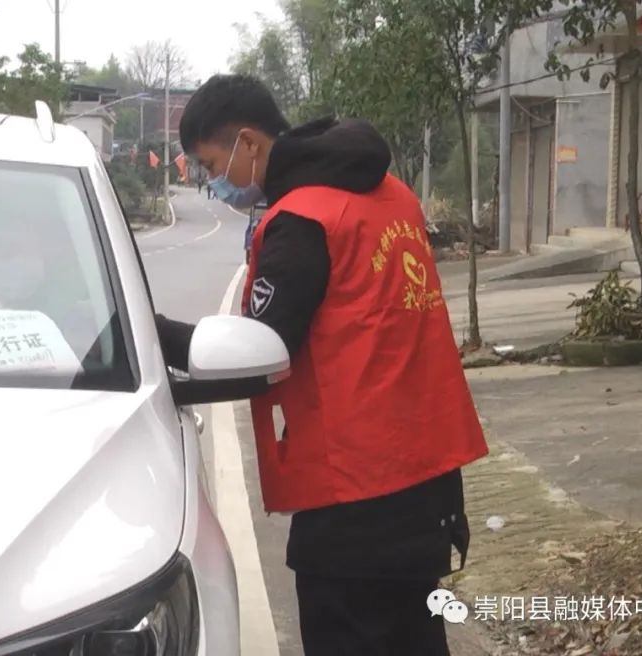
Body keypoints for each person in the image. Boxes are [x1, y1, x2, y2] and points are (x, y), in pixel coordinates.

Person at [154, 74, 489, 655]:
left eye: (211, 165)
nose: (214, 182)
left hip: (355, 496)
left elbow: (257, 350)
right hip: (429, 479)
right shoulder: (394, 195)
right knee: (416, 636)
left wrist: (149, 334)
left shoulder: (302, 220)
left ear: (249, 143)